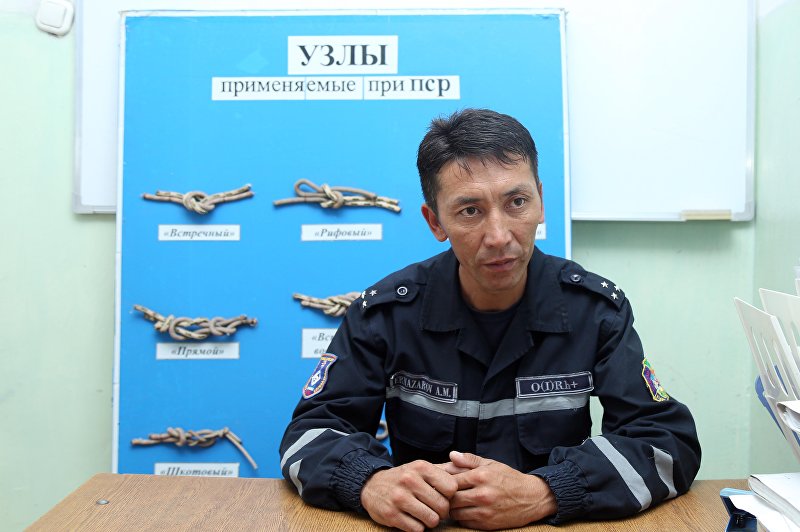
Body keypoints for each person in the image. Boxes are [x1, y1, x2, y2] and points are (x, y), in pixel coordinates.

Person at [279, 108, 701, 531]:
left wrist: (549, 490)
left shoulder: (594, 311)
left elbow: (668, 444)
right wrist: (368, 482)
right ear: (435, 221)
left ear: (540, 201)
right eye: (470, 211)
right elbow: (308, 435)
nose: (499, 236)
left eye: (517, 202)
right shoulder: (386, 315)